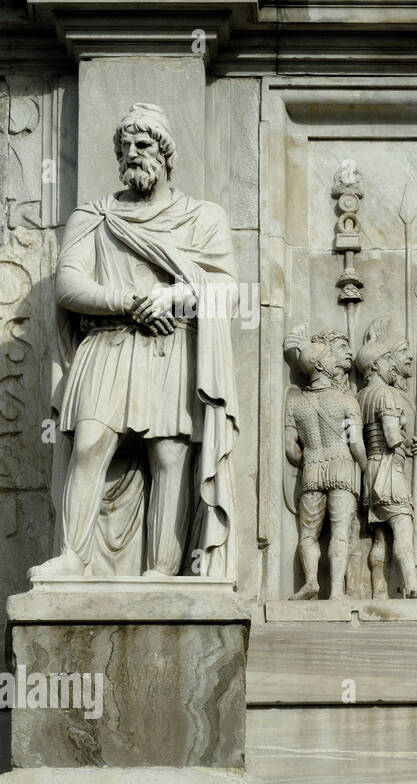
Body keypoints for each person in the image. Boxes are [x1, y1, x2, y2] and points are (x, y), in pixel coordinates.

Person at [32, 102, 240, 579]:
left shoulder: (202, 218)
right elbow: (69, 286)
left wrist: (173, 298)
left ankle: (163, 572)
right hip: (106, 345)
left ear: (165, 152)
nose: (132, 153)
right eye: (124, 146)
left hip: (171, 350)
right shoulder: (94, 217)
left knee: (169, 455)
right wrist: (130, 300)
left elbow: (229, 291)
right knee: (88, 446)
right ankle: (73, 557)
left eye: (143, 144)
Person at [284, 339, 368, 600]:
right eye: (330, 357)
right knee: (340, 533)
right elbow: (355, 444)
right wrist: (365, 469)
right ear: (320, 365)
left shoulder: (295, 404)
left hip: (311, 470)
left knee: (309, 535)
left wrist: (308, 458)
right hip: (342, 469)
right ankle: (337, 592)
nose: (335, 361)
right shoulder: (346, 401)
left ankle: (310, 581)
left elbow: (290, 449)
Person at [355, 331, 417, 598]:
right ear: (374, 366)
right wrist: (409, 445)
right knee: (403, 528)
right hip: (389, 468)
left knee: (380, 536)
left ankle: (379, 592)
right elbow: (393, 436)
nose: (391, 365)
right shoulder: (386, 395)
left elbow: (355, 439)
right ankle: (412, 585)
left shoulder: (359, 397)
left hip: (370, 470)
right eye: (386, 360)